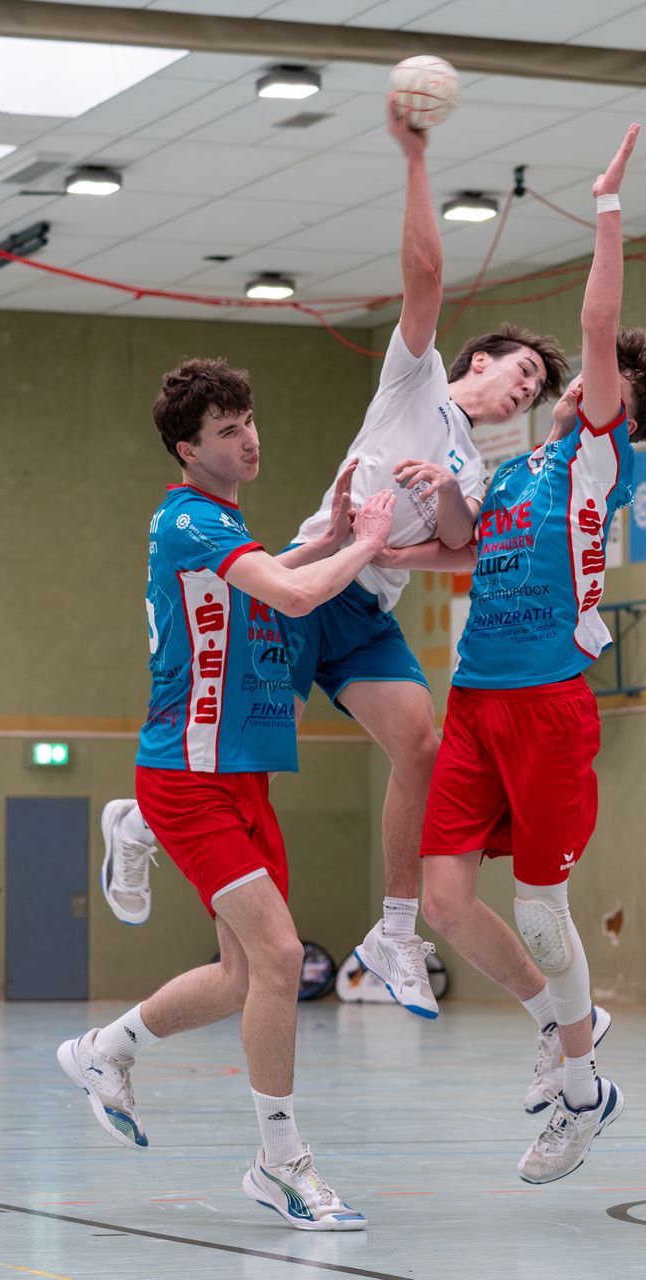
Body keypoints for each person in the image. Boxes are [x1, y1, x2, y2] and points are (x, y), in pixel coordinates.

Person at [99, 96, 569, 1022]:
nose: (528, 387)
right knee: (235, 759)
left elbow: (461, 549)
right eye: (522, 369)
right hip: (303, 584)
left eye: (539, 388)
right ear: (479, 359)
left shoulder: (479, 467)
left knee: (421, 742)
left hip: (364, 603)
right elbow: (425, 274)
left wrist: (427, 510)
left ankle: (394, 934)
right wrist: (416, 158)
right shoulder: (415, 378)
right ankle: (141, 820)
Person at [393, 123, 646, 1184]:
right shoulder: (516, 474)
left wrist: (606, 205)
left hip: (550, 704)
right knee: (443, 899)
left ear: (613, 410)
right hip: (476, 701)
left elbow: (599, 322)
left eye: (595, 380)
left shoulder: (597, 457)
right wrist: (411, 517)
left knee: (540, 910)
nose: (570, 381)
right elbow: (460, 547)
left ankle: (582, 1086)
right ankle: (565, 1030)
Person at [59, 358, 396, 1232]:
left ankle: (106, 1050)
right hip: (189, 775)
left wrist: (329, 536)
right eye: (226, 430)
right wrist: (367, 542)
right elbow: (293, 596)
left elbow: (268, 578)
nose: (249, 439)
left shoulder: (220, 525)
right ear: (187, 448)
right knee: (282, 957)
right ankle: (282, 1162)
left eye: (249, 421)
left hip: (240, 774)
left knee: (243, 974)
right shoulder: (189, 519)